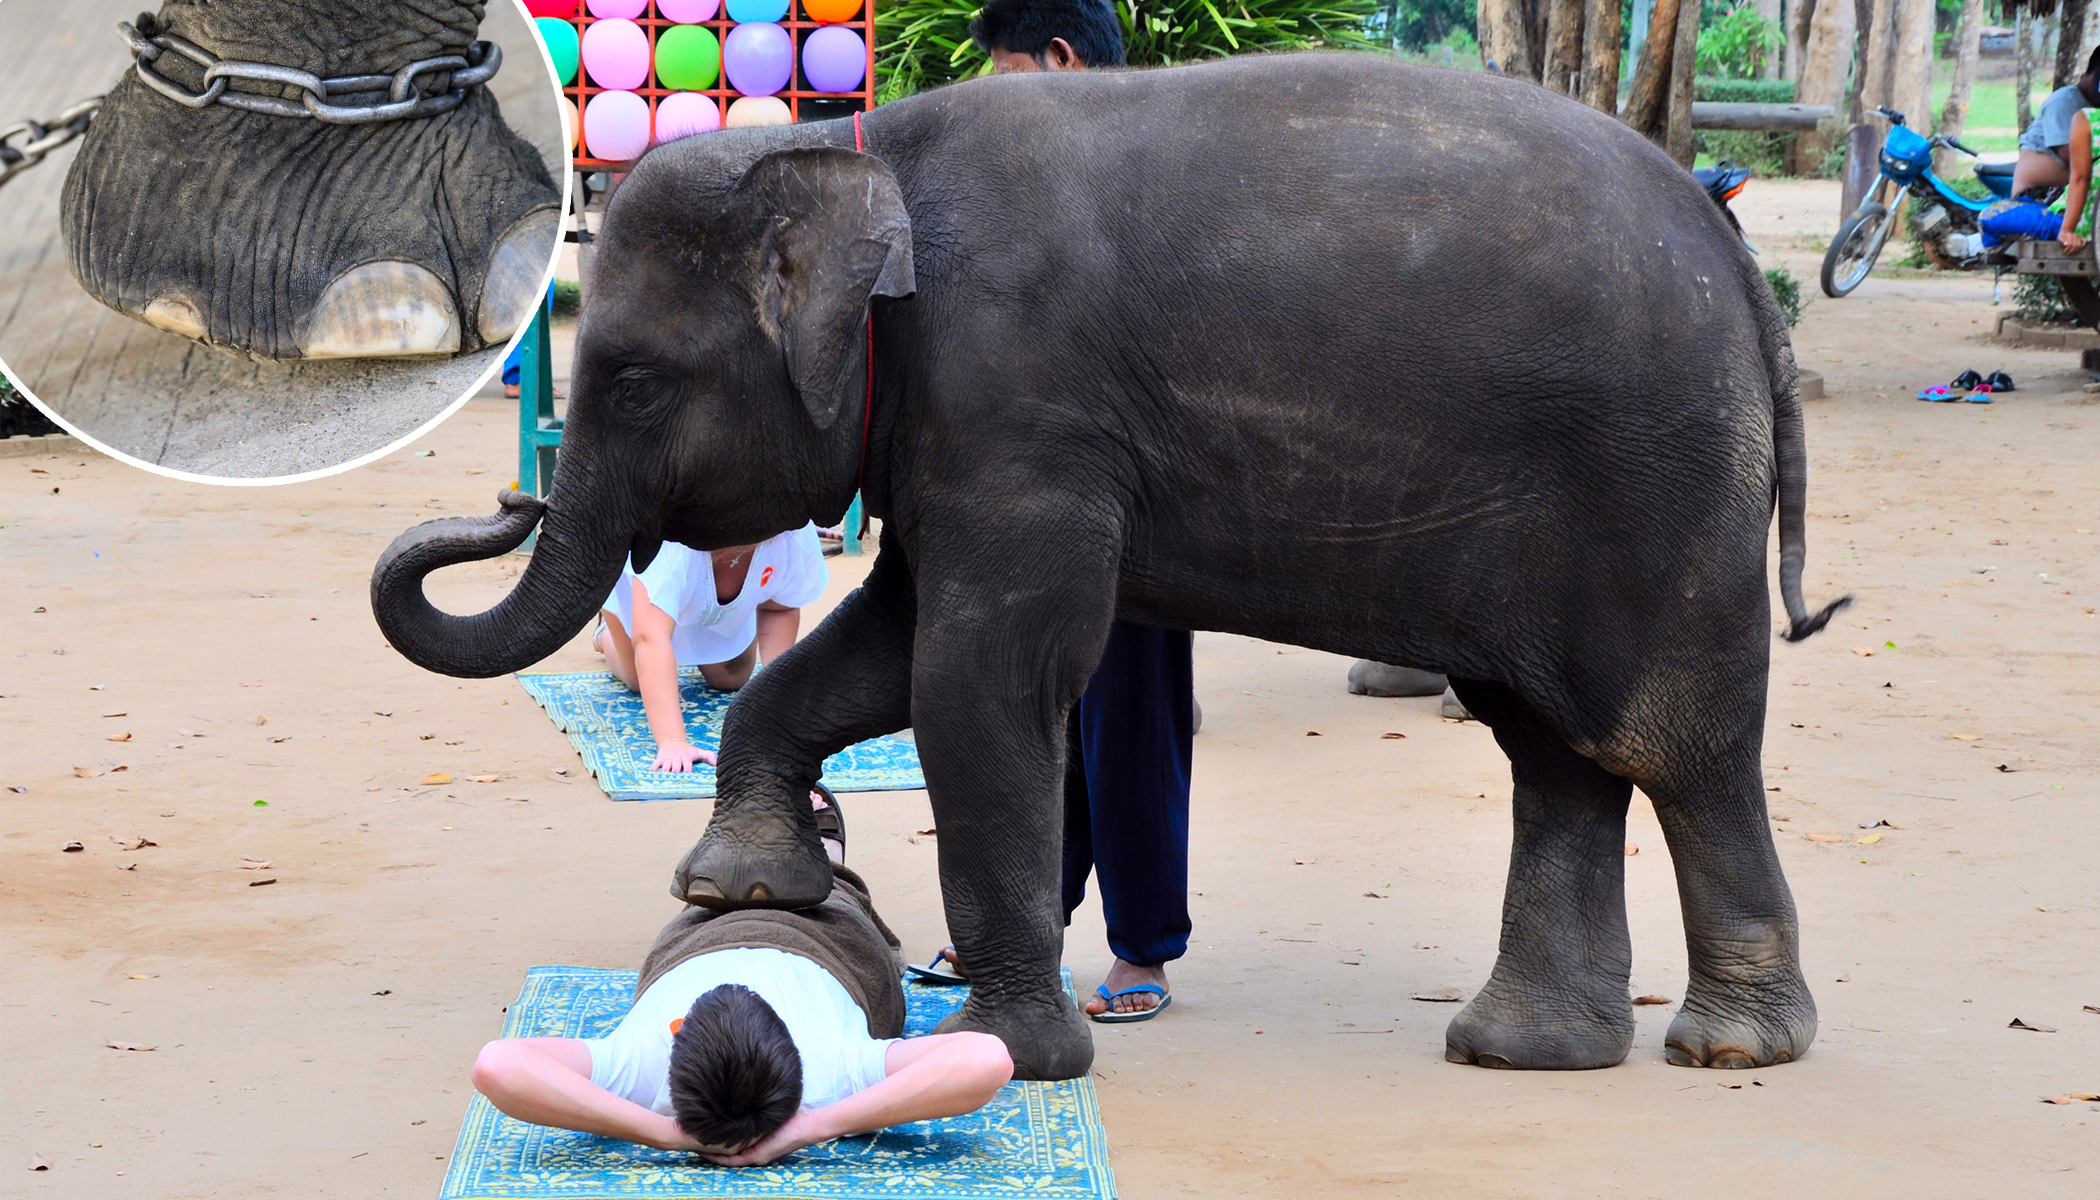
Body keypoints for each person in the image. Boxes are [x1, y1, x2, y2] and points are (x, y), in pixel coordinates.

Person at [912, 0, 1195, 1025]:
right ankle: (1026, 929)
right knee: (1035, 710)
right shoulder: (1035, 178)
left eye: (1003, 69)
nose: (990, 94)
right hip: (1040, 490)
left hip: (1149, 494)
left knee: (1132, 721)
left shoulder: (1155, 168)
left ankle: (1144, 949)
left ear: (1060, 60)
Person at [470, 792, 1013, 1167]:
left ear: (676, 1031)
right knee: (834, 891)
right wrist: (812, 1128)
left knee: (715, 889)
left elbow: (496, 1065)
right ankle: (827, 861)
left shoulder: (639, 1066)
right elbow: (988, 1060)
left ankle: (751, 856)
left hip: (705, 930)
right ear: (793, 1046)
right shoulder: (834, 1069)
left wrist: (662, 1133)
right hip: (828, 938)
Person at [596, 527, 828, 772]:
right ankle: (606, 635)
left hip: (712, 598)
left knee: (732, 676)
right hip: (649, 598)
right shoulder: (672, 540)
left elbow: (779, 608)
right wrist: (672, 741)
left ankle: (731, 613)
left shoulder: (791, 530)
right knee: (637, 679)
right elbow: (649, 638)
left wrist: (781, 699)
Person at [2012, 46, 2100, 196]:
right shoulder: (2064, 102)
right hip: (2036, 194)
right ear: (2092, 74)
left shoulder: (2092, 108)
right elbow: (2074, 160)